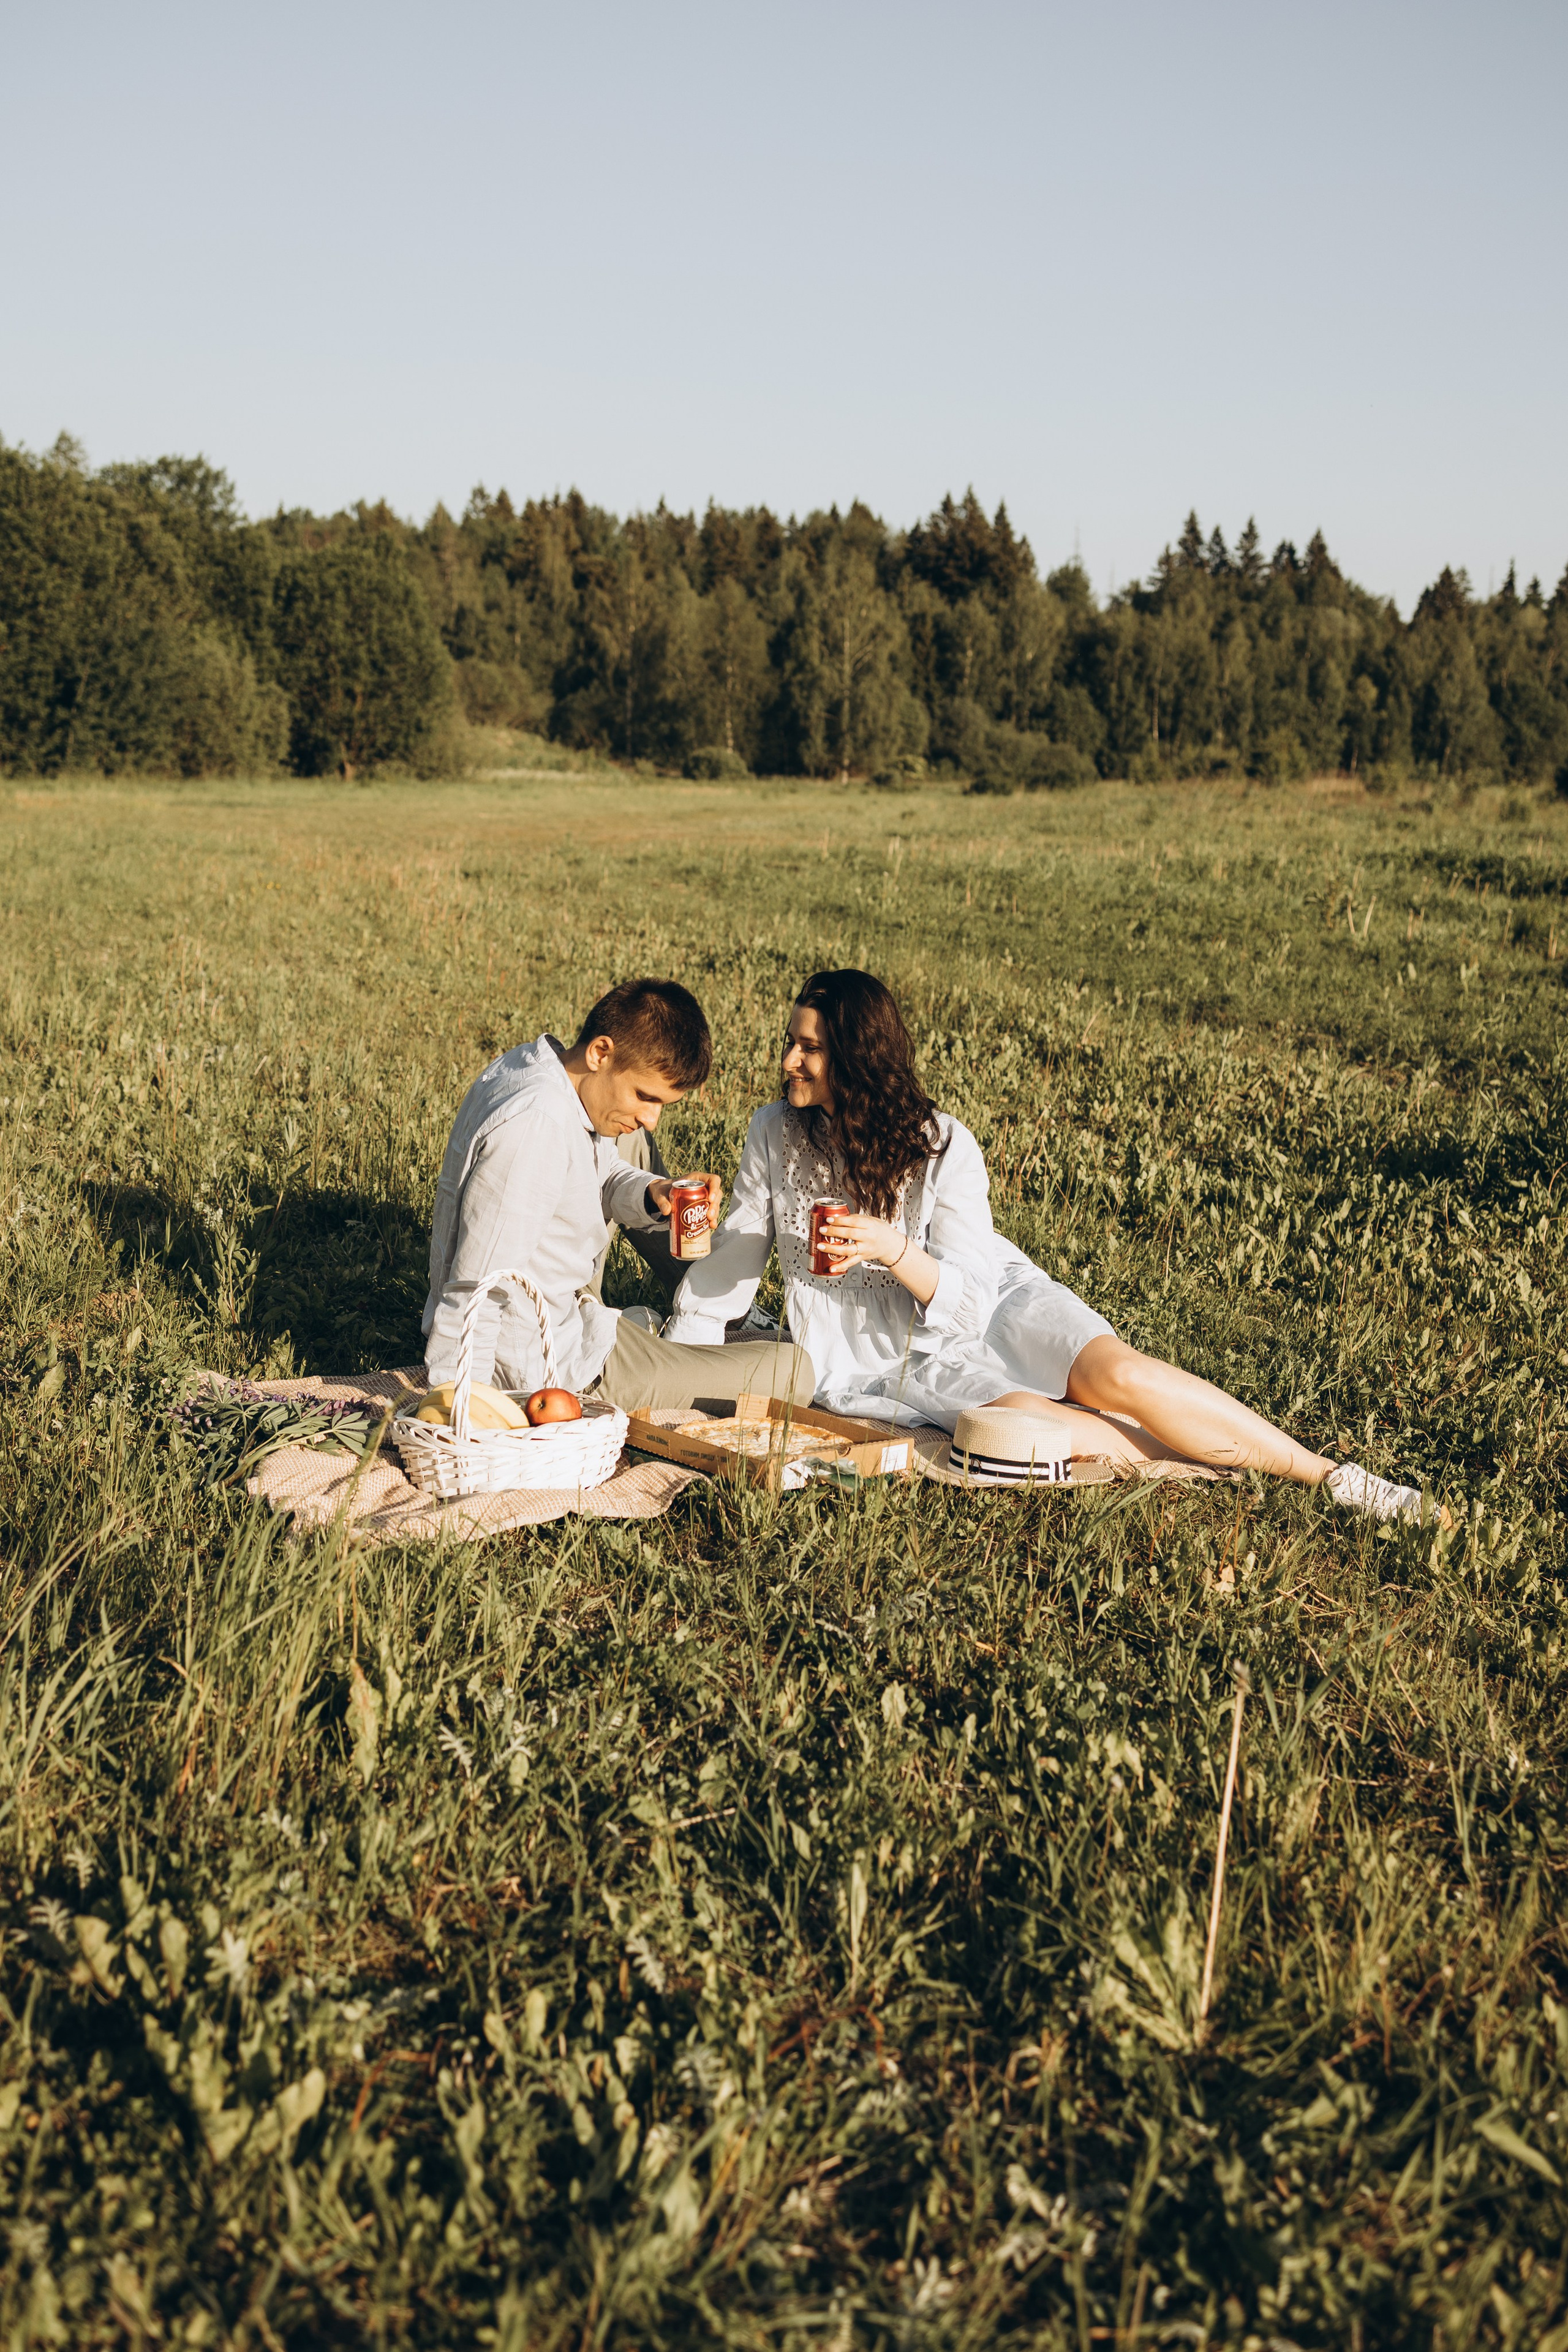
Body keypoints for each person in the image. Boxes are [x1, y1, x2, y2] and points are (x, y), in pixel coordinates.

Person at [663, 968, 1438, 1523]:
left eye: (811, 1049)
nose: (789, 1061)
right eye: (790, 1042)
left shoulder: (941, 1147)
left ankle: (1332, 1476)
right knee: (1022, 1430)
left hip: (983, 1299)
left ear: (858, 1061)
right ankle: (1205, 1458)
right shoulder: (774, 1131)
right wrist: (684, 1355)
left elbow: (967, 1300)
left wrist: (892, 1250)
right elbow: (737, 1253)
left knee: (1117, 1373)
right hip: (870, 1352)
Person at [422, 977, 813, 1415]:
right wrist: (461, 1413)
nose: (651, 1120)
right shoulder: (537, 1127)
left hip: (579, 1327)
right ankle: (655, 1341)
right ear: (600, 1052)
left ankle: (647, 1332)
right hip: (558, 1376)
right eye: (645, 1097)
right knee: (794, 1368)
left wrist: (653, 1194)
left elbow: (601, 1171)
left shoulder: (545, 1070)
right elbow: (475, 1289)